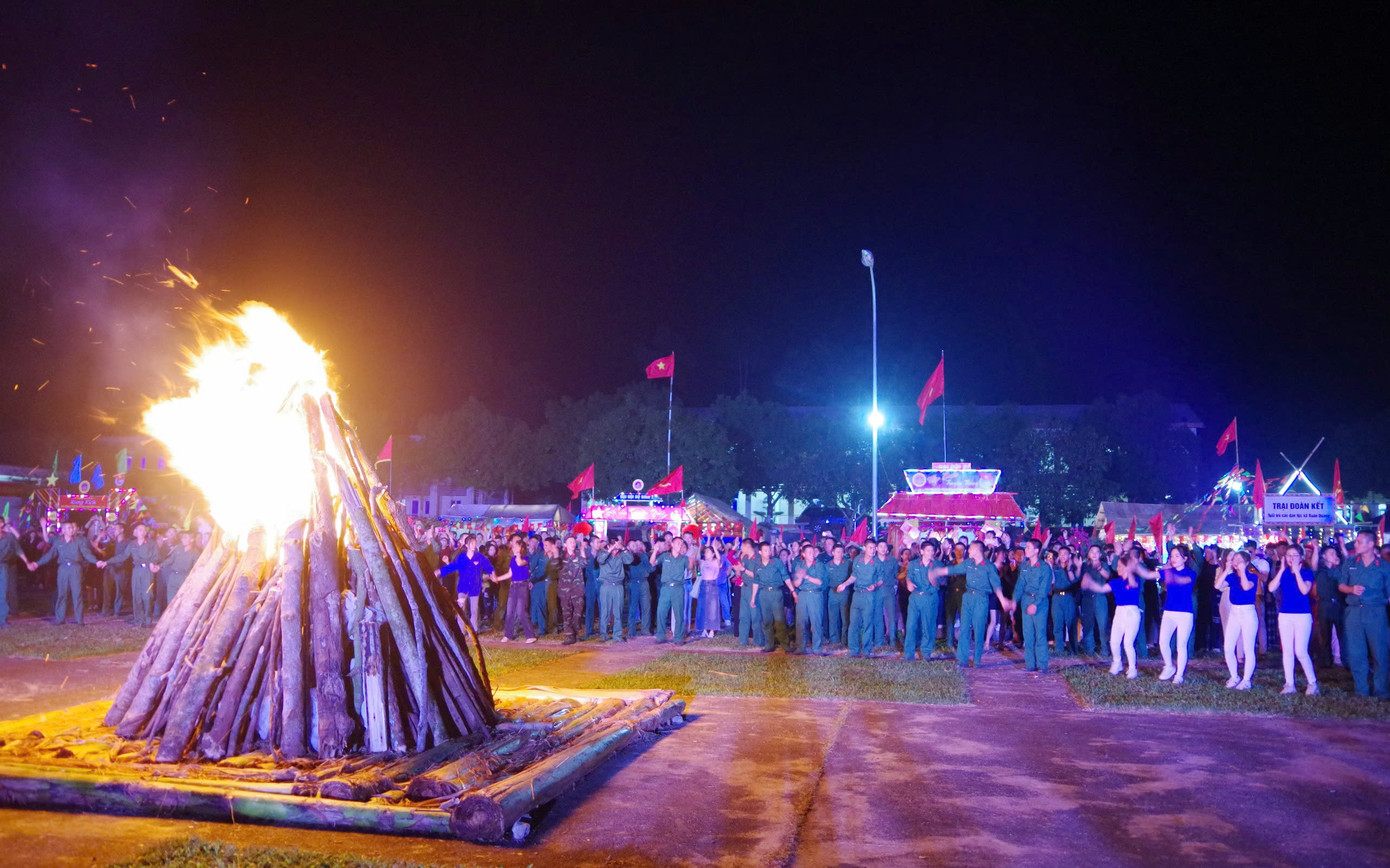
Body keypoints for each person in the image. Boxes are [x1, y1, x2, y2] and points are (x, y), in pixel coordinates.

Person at [930, 541, 1014, 667]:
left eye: (970, 549)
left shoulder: (989, 567)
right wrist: (937, 572)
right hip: (968, 596)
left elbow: (996, 585)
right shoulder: (968, 563)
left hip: (981, 598)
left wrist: (1002, 600)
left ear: (977, 550)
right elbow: (954, 569)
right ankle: (962, 659)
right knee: (964, 628)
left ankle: (977, 660)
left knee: (979, 629)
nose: (968, 551)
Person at [1338, 529, 1390, 699]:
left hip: (1376, 613)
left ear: (1371, 544)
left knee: (1380, 652)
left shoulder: (1383, 566)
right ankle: (1361, 690)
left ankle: (1381, 690)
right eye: (1356, 541)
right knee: (1356, 653)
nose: (1356, 544)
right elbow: (1341, 586)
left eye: (1360, 541)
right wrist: (1351, 589)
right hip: (1353, 613)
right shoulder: (1350, 562)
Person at [30, 520, 104, 626]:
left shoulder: (79, 541)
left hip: (75, 569)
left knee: (77, 594)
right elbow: (50, 555)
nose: (72, 530)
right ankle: (60, 619)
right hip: (63, 569)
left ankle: (79, 620)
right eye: (69, 528)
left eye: (72, 528)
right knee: (62, 594)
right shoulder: (58, 541)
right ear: (63, 530)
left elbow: (87, 554)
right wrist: (37, 564)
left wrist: (96, 562)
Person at [1269, 544, 1317, 695]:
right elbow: (1271, 588)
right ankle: (1289, 684)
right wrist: (1282, 570)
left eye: (1294, 555)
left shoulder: (1307, 572)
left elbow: (1304, 590)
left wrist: (1296, 572)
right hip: (1285, 615)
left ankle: (1312, 683)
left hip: (1302, 615)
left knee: (1301, 651)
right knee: (1287, 651)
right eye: (1288, 555)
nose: (1291, 558)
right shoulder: (1282, 573)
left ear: (1301, 557)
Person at [1215, 551, 1259, 689]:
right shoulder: (1231, 577)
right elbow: (1217, 586)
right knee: (1228, 647)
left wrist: (1242, 571)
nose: (1236, 561)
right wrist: (1227, 569)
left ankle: (1246, 680)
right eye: (1234, 559)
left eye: (1239, 559)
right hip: (1234, 612)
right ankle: (1234, 676)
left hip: (1248, 613)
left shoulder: (1252, 576)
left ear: (1246, 563)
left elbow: (1246, 587)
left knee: (1248, 648)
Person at [435, 533, 493, 632]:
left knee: (474, 610)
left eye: (475, 543)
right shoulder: (462, 558)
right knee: (461, 609)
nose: (474, 545)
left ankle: (473, 631)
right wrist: (440, 571)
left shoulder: (479, 557)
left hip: (475, 587)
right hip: (463, 587)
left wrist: (493, 574)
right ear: (467, 545)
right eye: (472, 543)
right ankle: (461, 631)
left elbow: (488, 566)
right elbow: (452, 566)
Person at [1012, 540, 1054, 674]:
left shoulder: (1044, 567)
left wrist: (1035, 604)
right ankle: (1030, 664)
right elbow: (1020, 585)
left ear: (1037, 550)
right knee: (1027, 633)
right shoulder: (1024, 566)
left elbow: (1044, 588)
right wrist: (1014, 600)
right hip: (1026, 599)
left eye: (1029, 547)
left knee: (1040, 634)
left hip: (1039, 602)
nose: (1026, 549)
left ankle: (1042, 665)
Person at [902, 541, 943, 660]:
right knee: (910, 625)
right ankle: (908, 654)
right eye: (928, 550)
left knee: (928, 626)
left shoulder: (937, 565)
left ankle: (926, 653)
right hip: (915, 598)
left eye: (932, 550)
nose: (930, 553)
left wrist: (933, 579)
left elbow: (938, 583)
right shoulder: (913, 564)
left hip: (929, 598)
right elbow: (908, 576)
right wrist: (908, 583)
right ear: (922, 551)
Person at [751, 541, 793, 653]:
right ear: (760, 552)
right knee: (766, 621)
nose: (768, 552)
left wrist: (792, 590)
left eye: (769, 550)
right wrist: (753, 598)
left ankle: (786, 645)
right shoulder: (757, 565)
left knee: (779, 620)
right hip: (763, 594)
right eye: (765, 550)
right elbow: (756, 582)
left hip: (776, 593)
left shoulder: (777, 562)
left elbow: (785, 577)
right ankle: (769, 645)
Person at [1104, 553, 1142, 678]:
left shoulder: (1135, 579)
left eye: (1121, 566)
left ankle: (1132, 668)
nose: (1118, 568)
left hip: (1132, 612)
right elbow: (1102, 588)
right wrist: (1090, 584)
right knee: (1114, 641)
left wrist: (1130, 569)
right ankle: (1117, 663)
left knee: (1128, 642)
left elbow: (1132, 583)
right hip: (1119, 611)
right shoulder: (1115, 581)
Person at [841, 543, 880, 658]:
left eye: (874, 548)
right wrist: (844, 584)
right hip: (857, 595)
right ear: (864, 548)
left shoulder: (877, 563)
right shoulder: (858, 559)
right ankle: (854, 650)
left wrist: (874, 585)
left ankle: (866, 651)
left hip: (869, 596)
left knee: (868, 623)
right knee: (853, 623)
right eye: (870, 548)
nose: (872, 550)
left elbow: (881, 580)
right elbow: (854, 576)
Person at [595, 538, 634, 642]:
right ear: (609, 546)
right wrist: (609, 550)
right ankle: (604, 634)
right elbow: (600, 560)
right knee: (604, 612)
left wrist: (623, 548)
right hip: (606, 585)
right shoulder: (603, 553)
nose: (615, 550)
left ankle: (617, 635)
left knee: (618, 611)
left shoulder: (620, 556)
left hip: (618, 585)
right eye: (614, 547)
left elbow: (630, 560)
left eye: (617, 548)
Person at [1313, 544, 1345, 668]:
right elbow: (1314, 562)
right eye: (1331, 554)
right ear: (1324, 556)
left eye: (1335, 554)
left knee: (1341, 634)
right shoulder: (1319, 570)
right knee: (1325, 634)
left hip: (1338, 604)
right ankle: (1327, 661)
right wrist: (1316, 548)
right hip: (1324, 604)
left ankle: (1343, 658)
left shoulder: (1340, 569)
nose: (1334, 556)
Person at [651, 538, 688, 644]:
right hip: (666, 588)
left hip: (678, 588)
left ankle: (678, 638)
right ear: (672, 544)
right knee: (661, 612)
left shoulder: (684, 559)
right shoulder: (665, 556)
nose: (679, 545)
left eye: (681, 544)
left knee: (679, 614)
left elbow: (693, 569)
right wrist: (655, 551)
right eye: (677, 543)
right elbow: (652, 563)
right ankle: (661, 636)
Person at [499, 537, 536, 643]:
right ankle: (508, 635)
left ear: (521, 548)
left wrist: (518, 554)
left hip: (522, 586)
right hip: (513, 586)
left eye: (516, 546)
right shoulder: (512, 559)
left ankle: (530, 635)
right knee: (509, 611)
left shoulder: (526, 558)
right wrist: (497, 578)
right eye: (513, 546)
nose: (513, 548)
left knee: (521, 611)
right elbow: (510, 574)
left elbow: (520, 563)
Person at [157, 528, 202, 612]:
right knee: (170, 602)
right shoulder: (178, 548)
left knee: (182, 602)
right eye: (182, 537)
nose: (182, 539)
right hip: (173, 577)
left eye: (185, 537)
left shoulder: (195, 553)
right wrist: (159, 566)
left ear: (191, 540)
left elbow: (197, 567)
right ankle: (169, 621)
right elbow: (170, 560)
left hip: (184, 578)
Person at [791, 544, 824, 654]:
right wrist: (800, 577)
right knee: (801, 622)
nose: (812, 554)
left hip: (815, 594)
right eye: (809, 552)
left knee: (816, 622)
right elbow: (795, 584)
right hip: (803, 594)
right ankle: (801, 647)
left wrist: (806, 577)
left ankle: (817, 648)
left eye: (813, 552)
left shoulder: (818, 565)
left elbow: (820, 582)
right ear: (803, 554)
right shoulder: (799, 565)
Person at [1079, 544, 1112, 655]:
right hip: (1087, 599)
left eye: (1096, 552)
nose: (1094, 554)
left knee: (1103, 625)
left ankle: (1105, 650)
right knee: (1088, 625)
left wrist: (1099, 567)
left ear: (1100, 554)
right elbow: (1080, 582)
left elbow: (1107, 576)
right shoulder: (1084, 566)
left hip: (1100, 598)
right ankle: (1089, 649)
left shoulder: (1103, 565)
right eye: (1091, 551)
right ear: (1088, 554)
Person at [731, 539, 764, 647]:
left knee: (755, 616)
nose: (741, 548)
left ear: (747, 546)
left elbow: (757, 575)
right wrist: (738, 570)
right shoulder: (744, 558)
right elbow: (739, 575)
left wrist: (743, 569)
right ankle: (743, 640)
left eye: (742, 546)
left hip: (754, 589)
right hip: (744, 588)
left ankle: (758, 641)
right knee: (743, 616)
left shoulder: (758, 558)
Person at [0, 523, 34, 626]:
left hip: (3, 566)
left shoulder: (9, 537)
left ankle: (2, 619)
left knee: (3, 592)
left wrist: (27, 562)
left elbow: (18, 550)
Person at [556, 535, 587, 645]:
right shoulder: (561, 556)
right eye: (570, 542)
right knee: (566, 613)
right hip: (564, 589)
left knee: (578, 612)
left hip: (577, 588)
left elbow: (584, 564)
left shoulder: (578, 554)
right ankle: (570, 636)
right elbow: (555, 565)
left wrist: (582, 548)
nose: (573, 544)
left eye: (574, 542)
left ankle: (574, 631)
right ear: (565, 544)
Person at [696, 545, 723, 639]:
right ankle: (704, 629)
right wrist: (700, 546)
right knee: (703, 607)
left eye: (708, 552)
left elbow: (719, 557)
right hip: (703, 585)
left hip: (712, 585)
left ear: (712, 554)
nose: (706, 553)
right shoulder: (703, 562)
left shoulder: (716, 562)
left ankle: (712, 629)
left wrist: (714, 547)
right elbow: (697, 558)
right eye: (705, 552)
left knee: (713, 608)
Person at [626, 540, 653, 637]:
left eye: (637, 545)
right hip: (633, 584)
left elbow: (650, 569)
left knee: (646, 607)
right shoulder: (628, 557)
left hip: (644, 582)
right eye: (633, 545)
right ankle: (631, 631)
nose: (636, 547)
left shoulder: (644, 556)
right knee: (632, 608)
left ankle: (645, 629)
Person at [527, 536, 549, 635]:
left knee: (539, 603)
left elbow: (541, 570)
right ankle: (529, 625)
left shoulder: (541, 554)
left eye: (536, 542)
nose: (533, 544)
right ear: (528, 542)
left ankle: (542, 628)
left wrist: (532, 580)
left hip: (538, 582)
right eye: (532, 541)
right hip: (524, 581)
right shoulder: (524, 554)